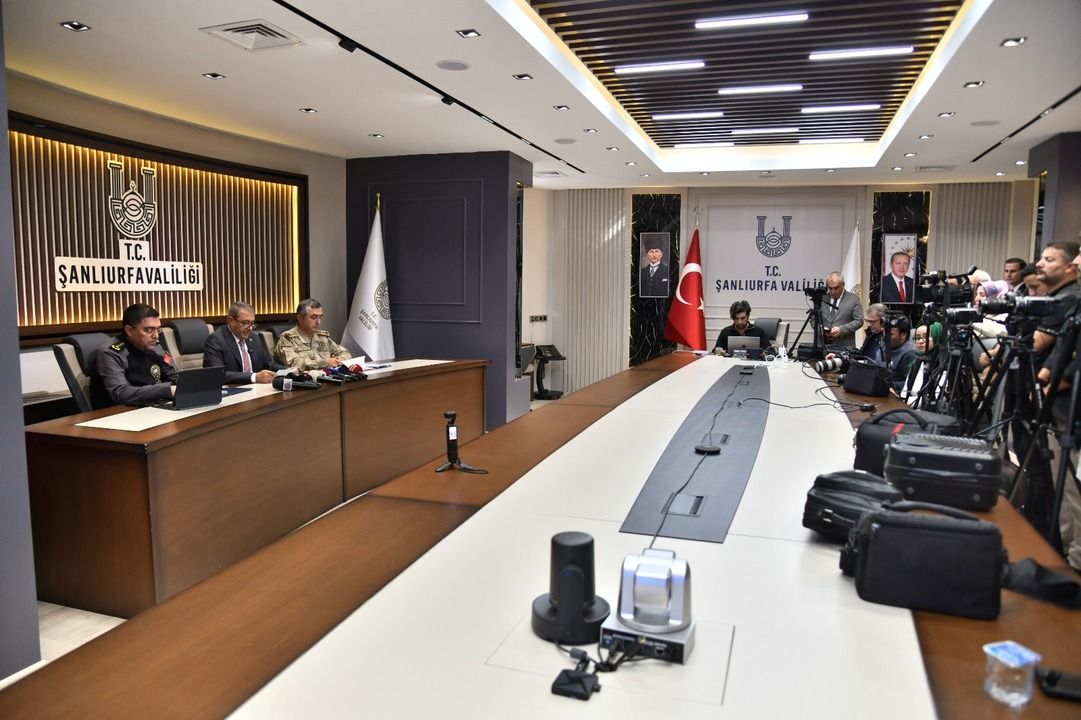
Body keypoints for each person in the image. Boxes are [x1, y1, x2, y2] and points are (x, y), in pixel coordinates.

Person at [93, 303, 177, 406]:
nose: (156, 336)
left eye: (158, 329)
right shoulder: (111, 352)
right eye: (149, 330)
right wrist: (166, 390)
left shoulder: (155, 346)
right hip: (123, 411)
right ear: (129, 330)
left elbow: (174, 376)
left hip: (154, 405)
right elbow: (121, 393)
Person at [203, 301, 286, 384]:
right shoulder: (216, 340)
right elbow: (218, 375)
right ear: (231, 320)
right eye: (245, 323)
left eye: (252, 323)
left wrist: (287, 371)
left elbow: (269, 364)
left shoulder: (255, 338)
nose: (250, 328)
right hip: (232, 389)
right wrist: (254, 377)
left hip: (257, 388)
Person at [274, 299, 352, 371]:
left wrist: (338, 360)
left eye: (320, 317)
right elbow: (294, 363)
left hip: (328, 377)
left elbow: (345, 353)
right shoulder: (287, 338)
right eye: (314, 317)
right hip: (304, 379)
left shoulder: (322, 337)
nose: (318, 322)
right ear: (300, 318)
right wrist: (323, 363)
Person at [903, 321, 943, 404]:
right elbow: (905, 392)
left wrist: (905, 402)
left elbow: (937, 399)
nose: (920, 341)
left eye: (925, 337)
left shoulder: (943, 363)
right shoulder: (916, 360)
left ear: (937, 337)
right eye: (918, 338)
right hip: (910, 408)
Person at [821, 271, 863, 349]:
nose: (833, 291)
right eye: (830, 288)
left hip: (844, 347)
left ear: (843, 285)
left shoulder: (853, 299)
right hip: (823, 346)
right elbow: (813, 319)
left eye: (836, 288)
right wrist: (821, 329)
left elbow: (859, 321)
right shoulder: (822, 299)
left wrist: (841, 330)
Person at [884, 316, 916, 393]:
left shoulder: (909, 354)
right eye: (885, 333)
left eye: (890, 334)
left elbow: (910, 383)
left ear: (903, 335)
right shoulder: (883, 346)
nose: (885, 337)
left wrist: (892, 386)